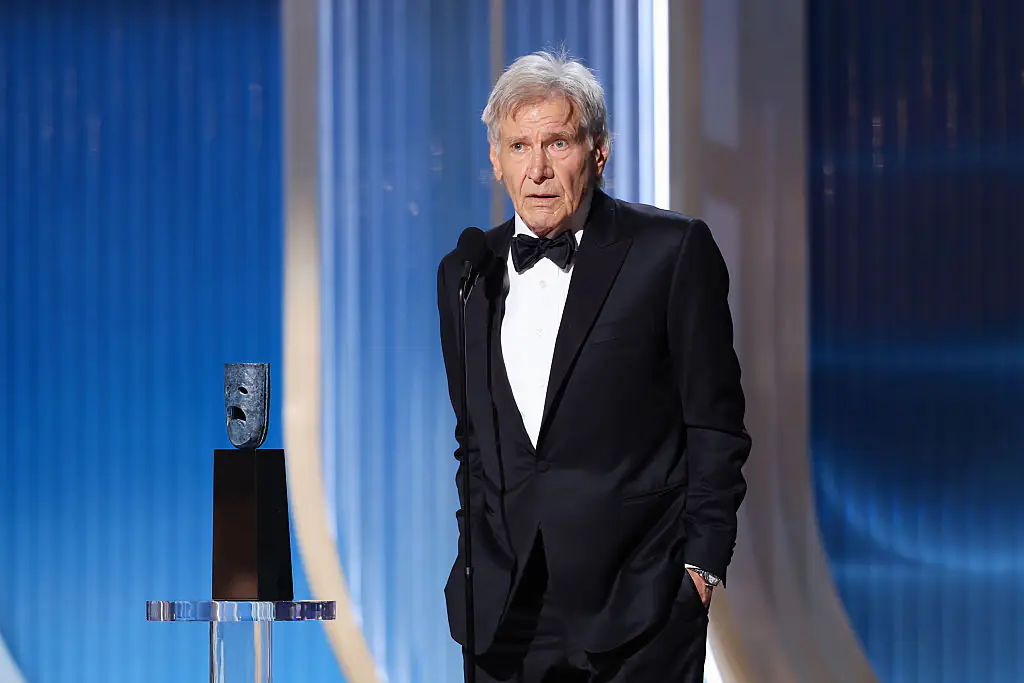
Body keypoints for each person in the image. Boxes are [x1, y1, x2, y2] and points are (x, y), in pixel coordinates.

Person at [437, 50, 752, 682]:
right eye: (519, 146)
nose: (539, 169)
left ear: (598, 152)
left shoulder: (671, 252)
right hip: (503, 612)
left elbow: (715, 427)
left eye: (558, 142)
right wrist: (475, 555)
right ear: (496, 160)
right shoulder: (465, 274)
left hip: (642, 606)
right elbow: (473, 442)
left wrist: (701, 569)